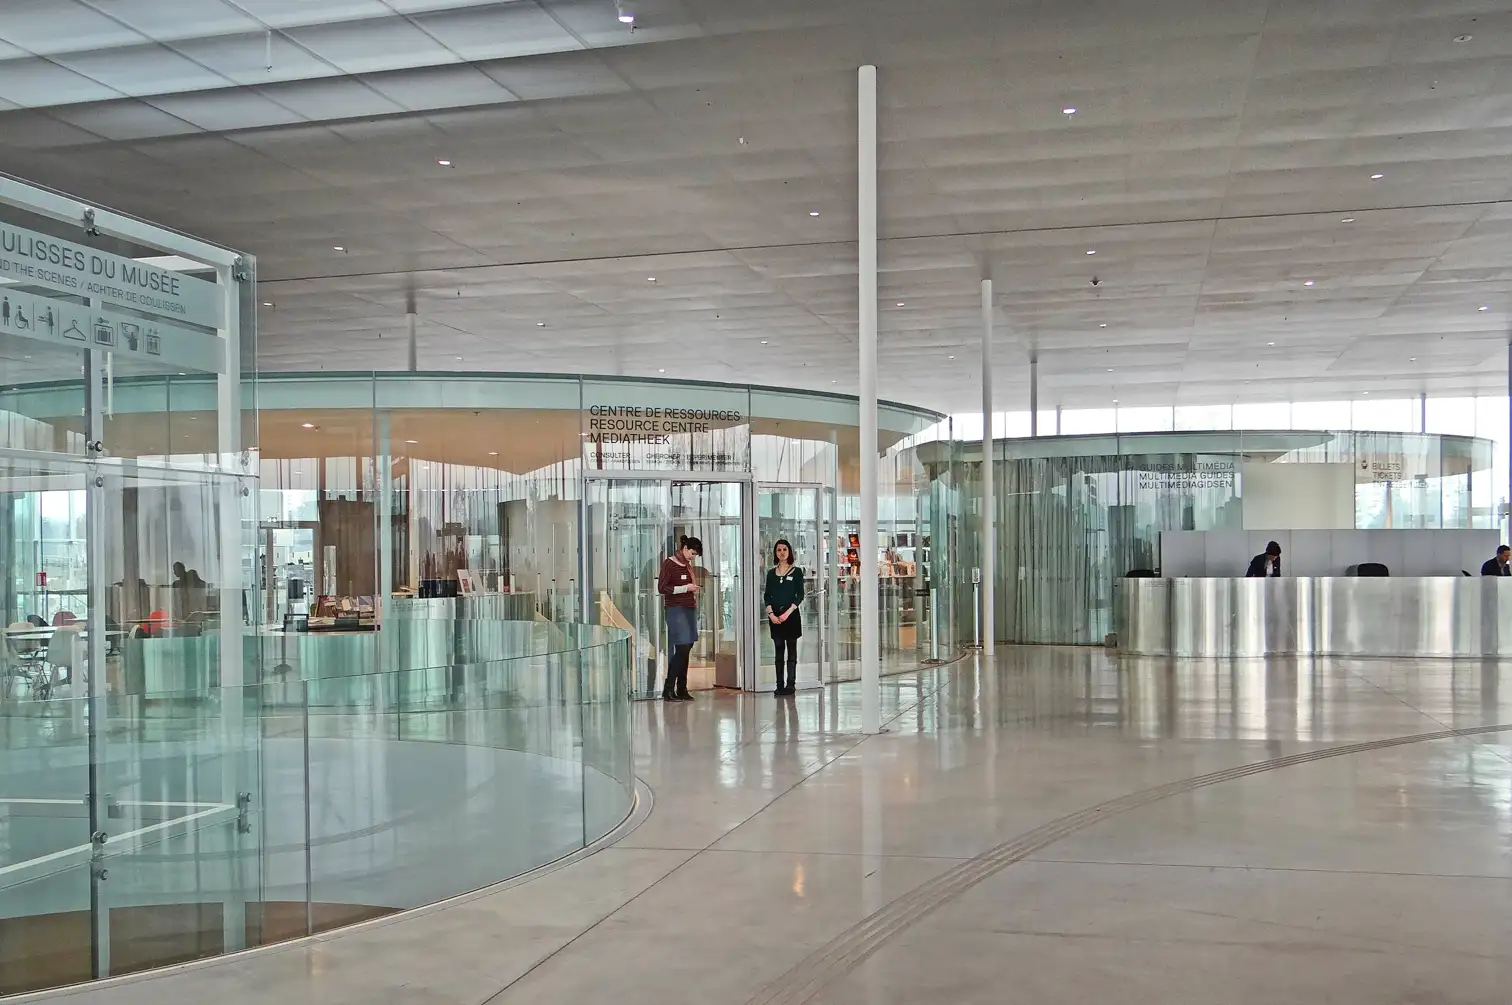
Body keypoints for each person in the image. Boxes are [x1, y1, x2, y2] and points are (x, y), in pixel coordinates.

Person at [657, 535, 703, 702]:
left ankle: (681, 688)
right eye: (692, 553)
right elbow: (662, 587)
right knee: (682, 647)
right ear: (684, 548)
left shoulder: (686, 565)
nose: (693, 557)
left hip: (689, 608)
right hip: (676, 610)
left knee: (687, 647)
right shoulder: (670, 563)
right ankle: (668, 688)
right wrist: (685, 588)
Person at [764, 539, 805, 696]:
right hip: (775, 619)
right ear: (775, 553)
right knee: (779, 651)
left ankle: (791, 684)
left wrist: (787, 613)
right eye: (779, 550)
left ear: (789, 552)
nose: (781, 552)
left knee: (792, 652)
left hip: (791, 618)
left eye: (784, 550)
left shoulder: (796, 572)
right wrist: (771, 614)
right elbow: (767, 595)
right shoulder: (771, 574)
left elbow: (799, 595)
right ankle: (779, 684)